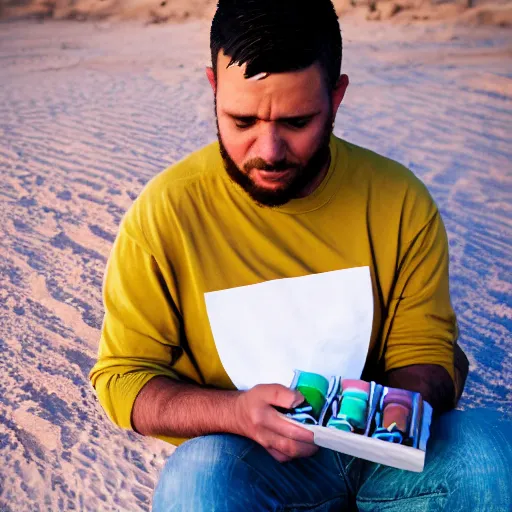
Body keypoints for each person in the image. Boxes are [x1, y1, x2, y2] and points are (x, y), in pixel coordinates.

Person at [89, 0, 511, 510]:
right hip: (247, 459)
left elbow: (425, 352)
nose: (268, 149)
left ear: (336, 97)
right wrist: (237, 413)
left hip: (386, 458)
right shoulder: (165, 213)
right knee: (196, 482)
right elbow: (124, 379)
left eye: (296, 121)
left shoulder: (398, 199)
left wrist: (395, 410)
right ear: (212, 89)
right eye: (241, 120)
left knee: (493, 452)